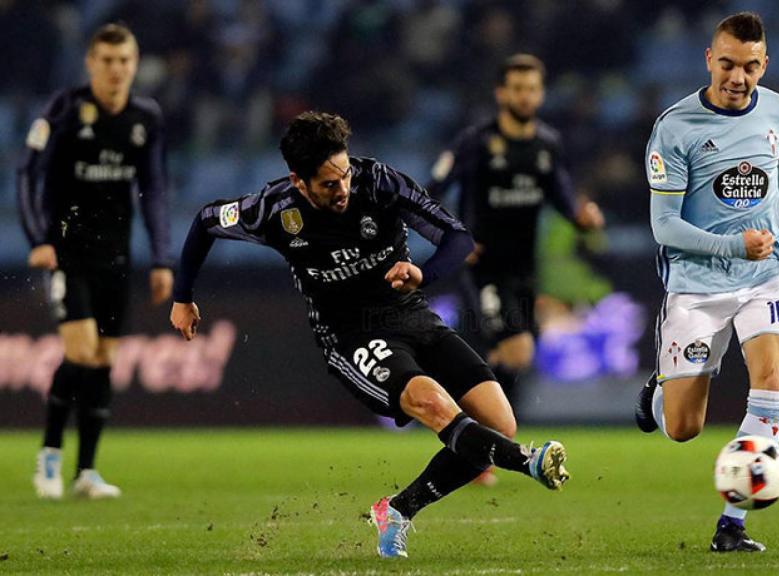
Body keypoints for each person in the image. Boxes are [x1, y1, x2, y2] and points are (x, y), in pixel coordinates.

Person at [169, 111, 570, 559]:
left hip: (410, 315)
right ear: (298, 182)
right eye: (328, 183)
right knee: (434, 403)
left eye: (343, 175)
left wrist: (423, 272)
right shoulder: (273, 210)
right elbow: (206, 220)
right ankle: (527, 461)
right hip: (349, 334)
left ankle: (397, 510)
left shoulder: (379, 183)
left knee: (499, 423)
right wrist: (182, 296)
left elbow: (457, 237)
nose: (342, 189)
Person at [633, 12, 779, 553]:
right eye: (727, 64)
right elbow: (664, 226)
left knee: (770, 382)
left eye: (750, 67)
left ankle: (732, 523)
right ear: (709, 59)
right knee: (683, 428)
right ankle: (660, 388)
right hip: (698, 284)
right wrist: (733, 244)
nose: (738, 77)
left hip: (768, 276)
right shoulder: (675, 128)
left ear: (765, 64)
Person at [18, 23, 173, 500]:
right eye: (107, 61)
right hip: (68, 253)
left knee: (104, 360)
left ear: (135, 62)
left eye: (124, 60)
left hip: (116, 256)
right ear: (91, 63)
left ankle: (86, 471)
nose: (116, 70)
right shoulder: (64, 109)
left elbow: (154, 191)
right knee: (81, 351)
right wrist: (39, 237)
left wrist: (162, 257)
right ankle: (48, 456)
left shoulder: (145, 116)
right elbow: (28, 173)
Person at [428, 54, 605, 409]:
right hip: (482, 269)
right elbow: (429, 194)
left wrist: (582, 217)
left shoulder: (547, 144)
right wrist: (453, 236)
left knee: (508, 358)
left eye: (532, 89)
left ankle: (473, 428)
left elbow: (562, 197)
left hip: (525, 270)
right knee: (515, 350)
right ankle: (470, 425)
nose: (525, 96)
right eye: (517, 89)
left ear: (541, 94)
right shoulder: (475, 142)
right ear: (501, 93)